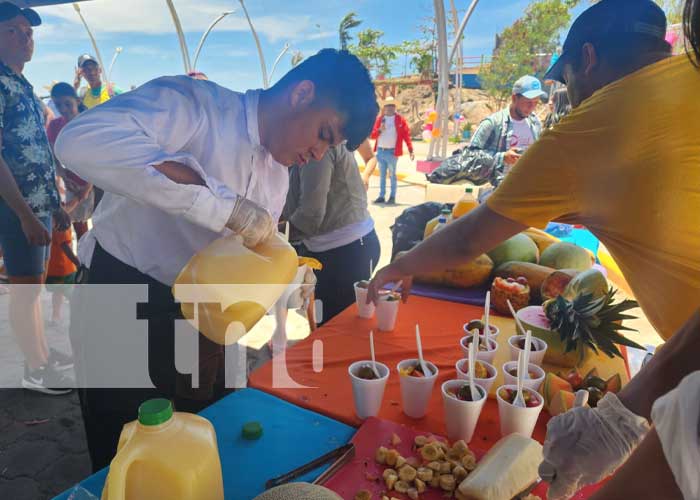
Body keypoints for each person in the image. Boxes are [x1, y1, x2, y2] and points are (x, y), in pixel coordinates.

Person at [367, 0, 699, 497]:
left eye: (565, 81)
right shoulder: (688, 81)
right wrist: (628, 409)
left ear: (587, 58)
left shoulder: (600, 121)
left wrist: (405, 263)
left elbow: (473, 235)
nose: (569, 96)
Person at [54, 48, 378, 471]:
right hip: (121, 296)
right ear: (302, 93)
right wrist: (223, 206)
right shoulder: (195, 105)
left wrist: (286, 276)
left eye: (329, 146)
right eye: (323, 133)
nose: (319, 153)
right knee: (124, 447)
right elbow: (79, 142)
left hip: (202, 314)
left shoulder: (278, 174)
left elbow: (246, 253)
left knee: (203, 440)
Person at [0, 2, 73, 395]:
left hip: (38, 205)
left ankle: (41, 352)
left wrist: (54, 204)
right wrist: (26, 214)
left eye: (29, 33)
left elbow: (35, 150)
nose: (26, 39)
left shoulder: (21, 83)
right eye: (14, 30)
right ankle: (35, 368)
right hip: (16, 207)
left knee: (35, 286)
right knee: (25, 289)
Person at [283, 139, 381, 324]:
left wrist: (267, 236)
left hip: (345, 253)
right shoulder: (306, 141)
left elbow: (309, 216)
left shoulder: (319, 147)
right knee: (326, 324)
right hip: (326, 249)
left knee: (337, 330)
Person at [466, 75, 546, 189]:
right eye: (528, 102)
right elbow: (470, 157)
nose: (532, 107)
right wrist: (502, 157)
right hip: (497, 190)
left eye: (536, 103)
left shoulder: (535, 123)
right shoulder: (492, 123)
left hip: (528, 188)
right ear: (514, 98)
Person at [46, 82, 93, 240]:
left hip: (95, 180)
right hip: (71, 182)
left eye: (68, 103)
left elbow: (99, 160)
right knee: (76, 226)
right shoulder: (54, 126)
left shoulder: (89, 124)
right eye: (58, 105)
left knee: (98, 222)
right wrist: (64, 177)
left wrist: (87, 187)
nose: (63, 109)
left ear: (77, 101)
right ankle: (80, 261)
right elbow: (54, 157)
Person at [367, 96, 414, 204]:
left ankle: (392, 197)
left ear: (395, 107)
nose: (390, 108)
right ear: (384, 107)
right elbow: (372, 136)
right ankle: (381, 196)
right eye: (388, 105)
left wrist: (410, 149)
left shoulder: (400, 120)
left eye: (392, 105)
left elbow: (406, 135)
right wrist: (380, 130)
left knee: (392, 175)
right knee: (382, 175)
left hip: (392, 152)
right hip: (380, 151)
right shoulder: (380, 120)